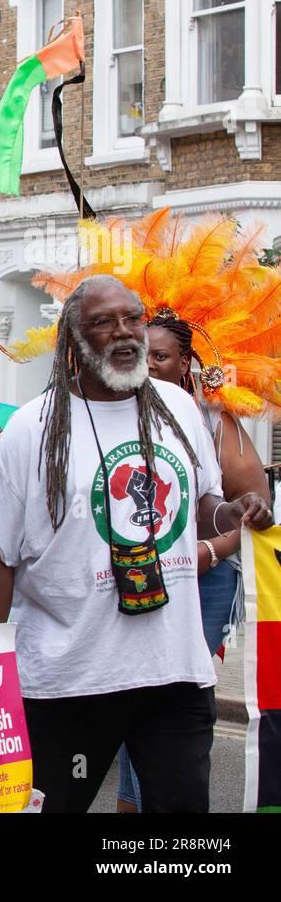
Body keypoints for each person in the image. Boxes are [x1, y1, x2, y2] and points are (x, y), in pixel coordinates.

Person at [0, 275, 273, 813]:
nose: (125, 332)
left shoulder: (177, 407)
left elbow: (203, 505)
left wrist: (231, 511)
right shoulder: (30, 429)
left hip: (174, 672)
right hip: (67, 679)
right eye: (104, 322)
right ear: (73, 341)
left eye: (132, 318)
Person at [114, 309, 272, 811]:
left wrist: (226, 533)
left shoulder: (213, 423)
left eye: (161, 356)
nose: (151, 365)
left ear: (187, 363)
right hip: (130, 574)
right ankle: (134, 801)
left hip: (205, 579)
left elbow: (247, 505)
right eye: (144, 355)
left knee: (173, 691)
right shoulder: (110, 412)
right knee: (135, 687)